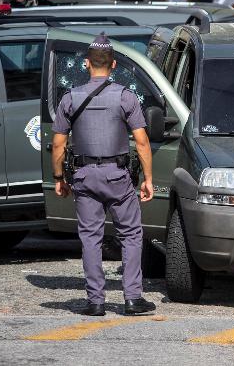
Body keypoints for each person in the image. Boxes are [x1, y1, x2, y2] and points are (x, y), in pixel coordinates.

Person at [51, 33, 156, 316]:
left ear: (86, 64)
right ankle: (133, 298)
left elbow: (59, 143)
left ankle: (95, 301)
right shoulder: (125, 96)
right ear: (112, 66)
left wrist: (59, 178)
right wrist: (147, 179)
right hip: (118, 177)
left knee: (90, 237)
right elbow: (143, 141)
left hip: (84, 176)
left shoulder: (69, 98)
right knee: (131, 234)